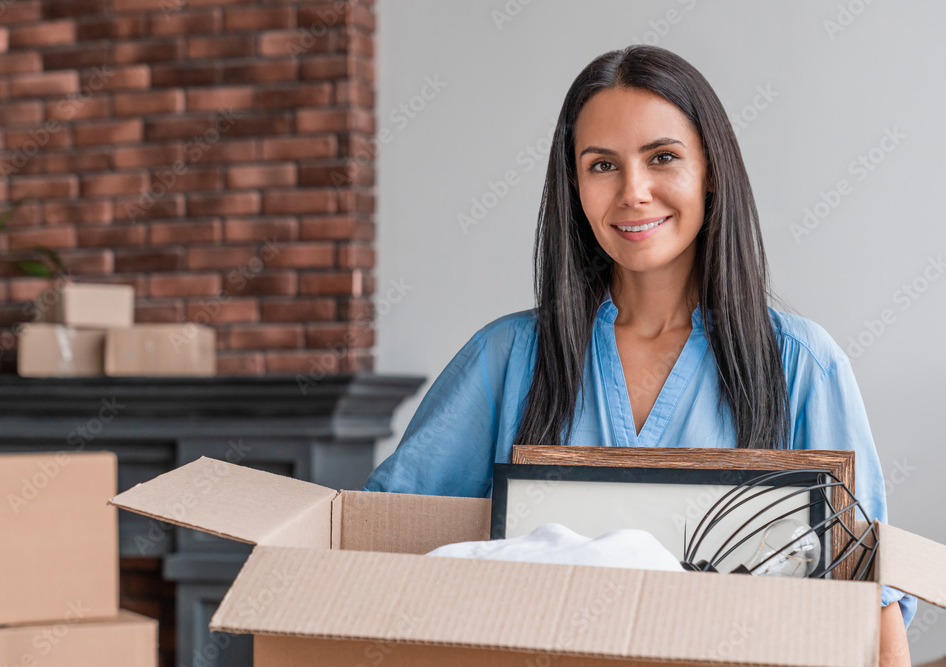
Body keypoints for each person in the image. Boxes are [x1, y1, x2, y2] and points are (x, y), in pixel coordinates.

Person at [363, 45, 915, 661]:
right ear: (573, 186)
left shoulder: (803, 365)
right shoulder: (505, 359)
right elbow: (385, 540)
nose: (634, 192)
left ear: (712, 171)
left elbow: (873, 600)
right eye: (602, 165)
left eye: (663, 158)